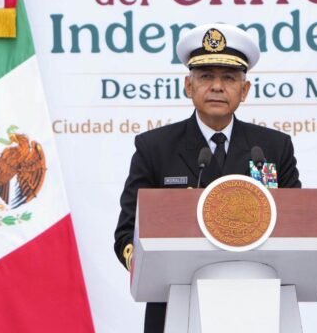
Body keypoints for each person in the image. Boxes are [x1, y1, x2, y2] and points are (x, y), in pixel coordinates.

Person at [113, 23, 302, 332]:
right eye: (205, 77)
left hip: (258, 306)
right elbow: (127, 233)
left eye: (229, 78)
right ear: (188, 86)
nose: (217, 86)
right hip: (176, 307)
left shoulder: (273, 147)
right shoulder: (155, 148)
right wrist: (147, 264)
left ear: (244, 90)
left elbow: (297, 227)